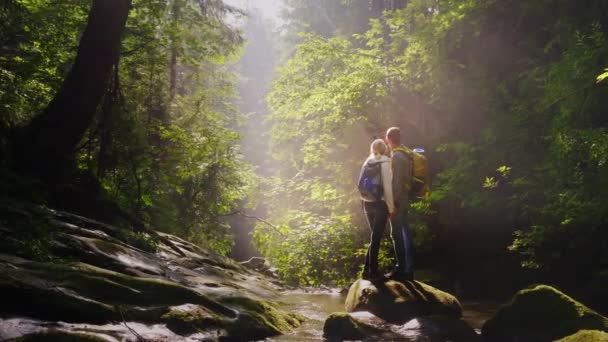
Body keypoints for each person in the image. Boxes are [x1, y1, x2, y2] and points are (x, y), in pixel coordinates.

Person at [360, 139, 395, 281]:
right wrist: (391, 207)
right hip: (379, 203)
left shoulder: (367, 161)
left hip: (366, 202)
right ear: (385, 149)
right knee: (376, 238)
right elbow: (387, 187)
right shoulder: (385, 162)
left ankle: (366, 271)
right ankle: (373, 273)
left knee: (374, 237)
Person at [385, 127, 415, 281]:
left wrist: (393, 204)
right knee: (405, 234)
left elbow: (396, 183)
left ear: (389, 139)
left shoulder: (397, 156)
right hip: (406, 198)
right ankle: (409, 269)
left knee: (396, 234)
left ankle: (400, 269)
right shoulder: (407, 153)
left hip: (398, 199)